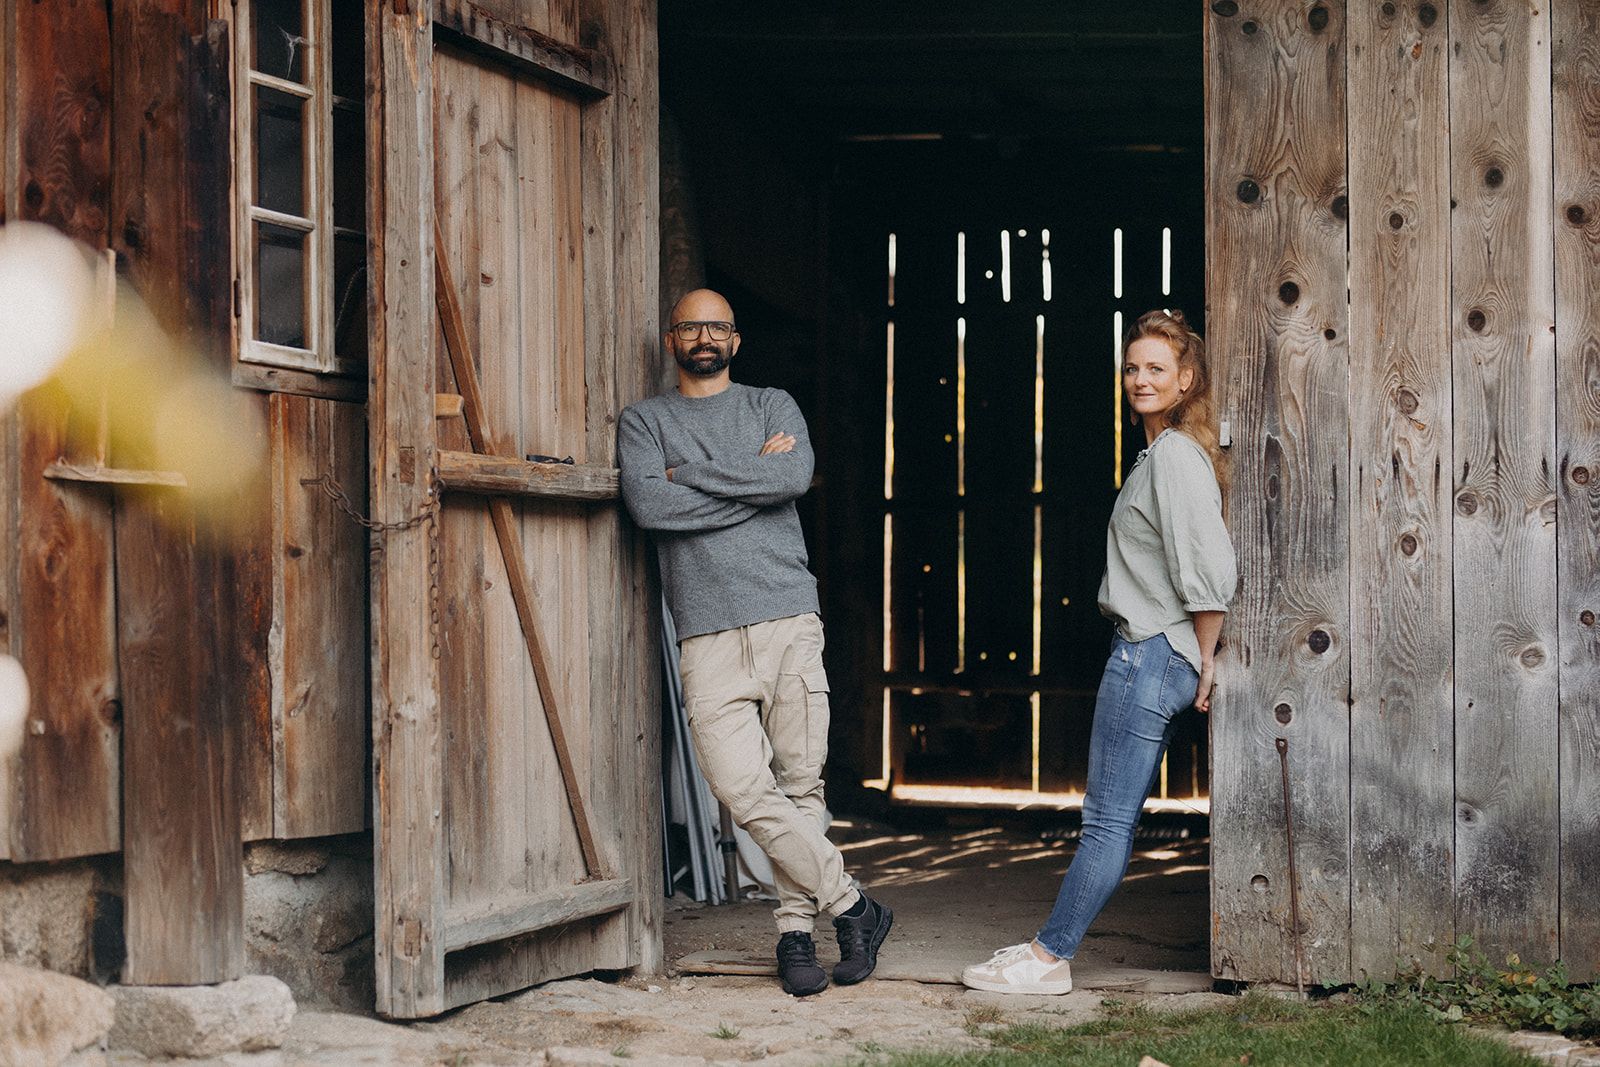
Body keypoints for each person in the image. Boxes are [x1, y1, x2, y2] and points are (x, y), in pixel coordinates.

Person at [618, 288, 893, 997]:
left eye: (718, 326)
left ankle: (795, 934)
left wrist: (688, 477)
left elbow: (791, 476)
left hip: (786, 618)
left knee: (801, 786)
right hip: (706, 631)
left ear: (735, 340)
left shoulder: (774, 405)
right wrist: (751, 481)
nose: (704, 336)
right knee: (742, 788)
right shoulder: (646, 421)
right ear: (671, 339)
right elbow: (649, 504)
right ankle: (854, 905)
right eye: (691, 326)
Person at [962, 308, 1236, 995]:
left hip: (1150, 653)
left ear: (1186, 379)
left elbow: (1207, 566)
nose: (1141, 379)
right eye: (1132, 367)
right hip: (1162, 652)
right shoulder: (1163, 453)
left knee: (1106, 821)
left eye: (1157, 369)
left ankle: (1049, 957)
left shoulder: (1173, 456)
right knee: (1113, 818)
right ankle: (1047, 950)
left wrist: (1205, 657)